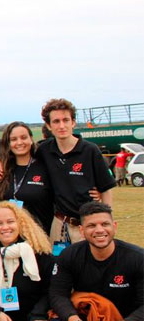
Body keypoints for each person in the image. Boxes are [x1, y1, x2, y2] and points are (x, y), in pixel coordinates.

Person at [35, 99, 115, 247]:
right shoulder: (44, 150)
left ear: (73, 122)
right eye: (56, 121)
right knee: (59, 267)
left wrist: (106, 222)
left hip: (87, 224)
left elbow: (106, 190)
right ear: (49, 126)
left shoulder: (90, 150)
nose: (62, 126)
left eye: (66, 120)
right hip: (59, 225)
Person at [0, 122, 54, 232]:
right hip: (9, 238)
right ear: (8, 143)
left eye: (23, 137)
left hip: (40, 237)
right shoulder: (1, 170)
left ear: (31, 139)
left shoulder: (46, 167)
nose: (19, 142)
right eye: (14, 139)